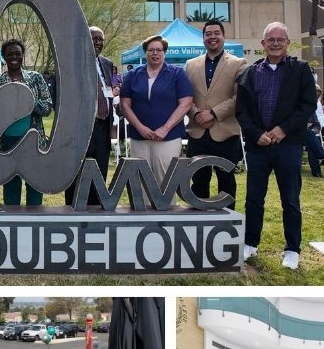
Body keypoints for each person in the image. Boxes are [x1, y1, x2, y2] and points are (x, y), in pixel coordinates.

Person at [235, 22, 316, 270]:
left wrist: (283, 129)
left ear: (287, 42)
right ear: (263, 44)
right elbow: (242, 111)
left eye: (280, 39)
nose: (276, 43)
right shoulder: (250, 73)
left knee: (290, 199)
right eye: (271, 39)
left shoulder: (300, 70)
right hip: (258, 146)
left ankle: (292, 249)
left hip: (288, 145)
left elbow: (307, 106)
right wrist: (256, 133)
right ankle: (250, 243)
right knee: (253, 199)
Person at [185, 20, 248, 209]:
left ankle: (227, 226)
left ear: (223, 36)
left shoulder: (238, 64)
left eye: (216, 33)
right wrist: (196, 113)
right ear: (203, 38)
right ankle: (198, 223)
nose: (212, 37)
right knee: (198, 182)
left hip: (225, 132)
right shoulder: (190, 65)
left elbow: (240, 97)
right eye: (208, 34)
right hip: (197, 132)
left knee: (226, 183)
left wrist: (212, 113)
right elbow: (185, 95)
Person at [119, 35, 193, 195]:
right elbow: (125, 104)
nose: (155, 53)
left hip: (168, 137)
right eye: (151, 50)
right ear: (145, 53)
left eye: (159, 50)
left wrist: (165, 129)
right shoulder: (133, 75)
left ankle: (166, 218)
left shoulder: (177, 74)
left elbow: (186, 103)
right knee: (140, 181)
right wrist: (140, 128)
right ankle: (143, 219)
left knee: (165, 182)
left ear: (164, 52)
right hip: (139, 137)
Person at [0, 38, 53, 206]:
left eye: (18, 54)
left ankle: (34, 220)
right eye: (10, 55)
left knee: (34, 183)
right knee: (10, 183)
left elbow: (47, 109)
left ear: (23, 55)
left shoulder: (36, 78)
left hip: (32, 138)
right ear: (4, 57)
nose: (14, 57)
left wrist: (28, 98)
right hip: (7, 140)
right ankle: (11, 220)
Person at [64, 26, 119, 206]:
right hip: (81, 129)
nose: (97, 42)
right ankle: (73, 210)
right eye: (93, 38)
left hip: (103, 127)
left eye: (100, 39)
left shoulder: (107, 64)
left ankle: (95, 211)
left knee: (99, 171)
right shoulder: (72, 64)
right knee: (77, 172)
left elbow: (109, 90)